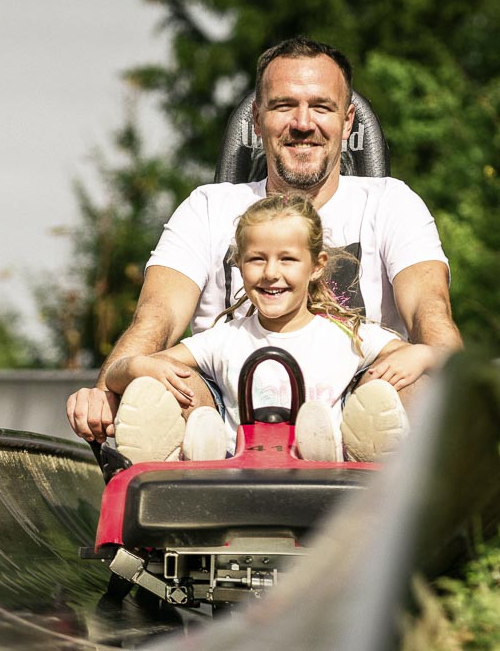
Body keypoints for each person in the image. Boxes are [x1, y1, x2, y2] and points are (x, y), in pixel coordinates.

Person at [67, 36, 462, 446]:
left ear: (346, 122)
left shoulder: (391, 202)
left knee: (410, 385)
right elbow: (156, 316)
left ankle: (389, 480)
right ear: (257, 120)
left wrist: (439, 365)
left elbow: (430, 310)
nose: (303, 123)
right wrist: (107, 390)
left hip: (356, 409)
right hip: (223, 416)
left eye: (321, 107)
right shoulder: (208, 207)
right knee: (156, 385)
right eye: (284, 105)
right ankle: (189, 466)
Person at [103, 193, 439, 463]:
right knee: (158, 381)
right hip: (236, 477)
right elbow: (120, 374)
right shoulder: (226, 338)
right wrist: (136, 365)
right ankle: (198, 452)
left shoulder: (346, 335)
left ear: (317, 266)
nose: (270, 273)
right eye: (257, 259)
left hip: (328, 482)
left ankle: (348, 452)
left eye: (288, 259)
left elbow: (438, 358)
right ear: (239, 264)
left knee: (385, 389)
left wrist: (420, 355)